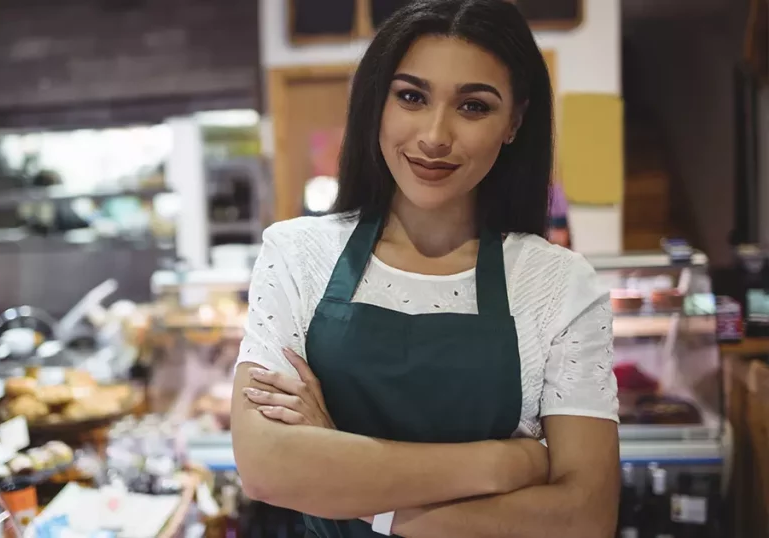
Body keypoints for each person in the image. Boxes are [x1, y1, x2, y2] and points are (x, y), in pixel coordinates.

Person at [230, 1, 620, 537]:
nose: (436, 135)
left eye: (474, 107)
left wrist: (344, 477)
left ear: (515, 122)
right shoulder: (297, 254)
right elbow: (266, 467)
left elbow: (584, 518)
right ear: (378, 106)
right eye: (411, 97)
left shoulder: (558, 284)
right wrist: (506, 463)